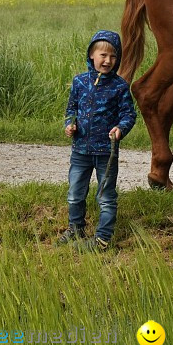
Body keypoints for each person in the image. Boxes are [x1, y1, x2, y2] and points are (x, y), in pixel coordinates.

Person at [56, 30, 136, 252]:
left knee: (106, 196)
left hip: (106, 152)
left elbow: (129, 114)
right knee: (75, 193)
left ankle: (102, 238)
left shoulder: (119, 86)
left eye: (113, 57)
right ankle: (75, 228)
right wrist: (69, 124)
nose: (108, 61)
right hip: (80, 149)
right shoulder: (80, 81)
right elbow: (71, 108)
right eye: (103, 55)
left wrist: (121, 128)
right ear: (91, 54)